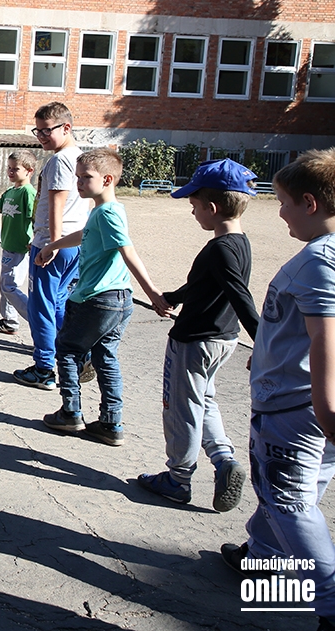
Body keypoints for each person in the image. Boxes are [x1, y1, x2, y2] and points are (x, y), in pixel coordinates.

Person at [220, 149, 335, 630]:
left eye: (284, 202)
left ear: (310, 203)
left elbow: (326, 339)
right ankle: (264, 560)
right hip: (303, 401)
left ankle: (329, 602)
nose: (280, 212)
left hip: (296, 408)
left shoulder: (318, 262)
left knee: (289, 501)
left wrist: (327, 413)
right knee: (295, 490)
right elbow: (300, 330)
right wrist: (269, 349)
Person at [138, 159, 259, 511]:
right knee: (204, 401)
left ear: (212, 208)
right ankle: (224, 460)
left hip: (194, 341)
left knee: (181, 409)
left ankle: (178, 478)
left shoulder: (219, 248)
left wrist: (265, 345)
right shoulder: (239, 243)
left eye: (194, 205)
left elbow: (240, 296)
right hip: (223, 339)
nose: (192, 212)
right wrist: (172, 297)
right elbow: (204, 284)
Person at [37, 148, 167, 447]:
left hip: (95, 299)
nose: (78, 183)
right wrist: (53, 245)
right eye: (77, 177)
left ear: (107, 179)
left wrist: (152, 292)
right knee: (105, 357)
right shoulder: (107, 211)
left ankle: (70, 413)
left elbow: (127, 250)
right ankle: (110, 423)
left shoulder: (107, 212)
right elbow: (85, 234)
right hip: (118, 301)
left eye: (86, 177)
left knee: (67, 350)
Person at [13, 102, 90, 391]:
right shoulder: (80, 158)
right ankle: (77, 355)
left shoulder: (60, 161)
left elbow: (57, 203)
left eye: (47, 130)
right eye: (38, 131)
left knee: (40, 307)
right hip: (73, 242)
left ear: (66, 127)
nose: (41, 136)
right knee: (57, 303)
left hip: (53, 244)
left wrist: (52, 244)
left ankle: (44, 368)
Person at [0, 149, 37, 334]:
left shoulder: (28, 193)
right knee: (5, 285)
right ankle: (9, 321)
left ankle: (37, 319)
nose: (10, 171)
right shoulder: (9, 192)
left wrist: (34, 239)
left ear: (29, 171)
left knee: (10, 286)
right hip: (8, 246)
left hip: (21, 248)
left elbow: (35, 217)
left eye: (15, 169)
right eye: (9, 168)